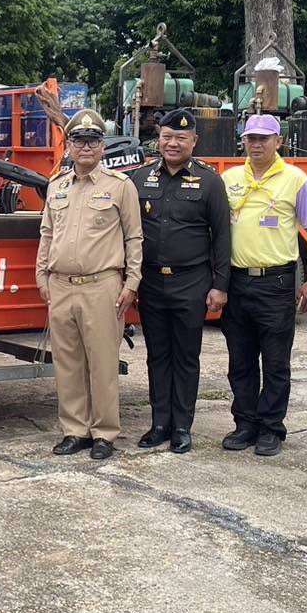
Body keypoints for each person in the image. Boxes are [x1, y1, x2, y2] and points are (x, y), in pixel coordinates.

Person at [35, 108, 143, 460]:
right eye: (79, 141)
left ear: (102, 146)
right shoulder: (56, 187)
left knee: (102, 363)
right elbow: (47, 234)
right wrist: (42, 275)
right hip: (61, 285)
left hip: (102, 285)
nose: (86, 147)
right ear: (68, 146)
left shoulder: (120, 186)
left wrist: (132, 281)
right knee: (68, 364)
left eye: (93, 141)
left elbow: (134, 238)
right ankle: (74, 430)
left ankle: (104, 433)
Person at [128, 109, 231, 454]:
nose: (173, 144)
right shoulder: (139, 179)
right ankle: (159, 424)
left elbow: (222, 237)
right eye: (167, 137)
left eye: (181, 138)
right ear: (159, 138)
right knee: (157, 355)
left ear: (194, 142)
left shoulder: (209, 181)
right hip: (152, 283)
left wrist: (220, 285)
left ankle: (182, 426)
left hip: (192, 283)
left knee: (186, 356)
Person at [219, 114, 307, 456]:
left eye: (264, 138)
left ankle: (271, 428)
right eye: (251, 138)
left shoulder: (296, 179)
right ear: (243, 141)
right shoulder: (230, 179)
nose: (257, 144)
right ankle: (245, 424)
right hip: (236, 281)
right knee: (241, 360)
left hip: (276, 282)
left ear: (279, 141)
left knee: (276, 362)